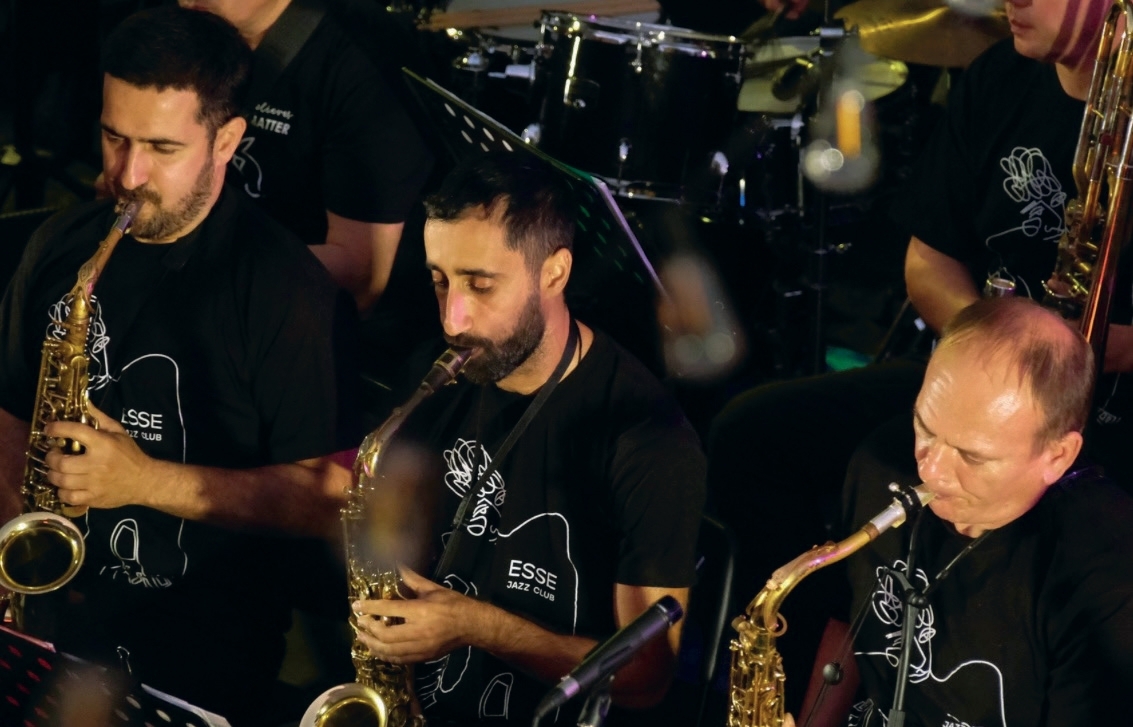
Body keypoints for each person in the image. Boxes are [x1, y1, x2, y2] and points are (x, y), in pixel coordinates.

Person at [709, 0, 1133, 710]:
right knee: (753, 435)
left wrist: (1086, 351)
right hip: (970, 388)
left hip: (1109, 414)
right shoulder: (998, 77)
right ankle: (806, 683)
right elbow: (926, 262)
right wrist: (989, 358)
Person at [0, 7, 358, 724]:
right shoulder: (59, 245)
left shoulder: (288, 294)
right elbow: (10, 414)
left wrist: (144, 481)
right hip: (47, 616)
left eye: (161, 147)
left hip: (193, 655)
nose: (127, 175)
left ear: (226, 140)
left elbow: (330, 496)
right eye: (114, 137)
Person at [349, 152, 707, 724]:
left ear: (555, 274)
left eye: (480, 285)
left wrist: (477, 626)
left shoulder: (649, 442)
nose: (453, 319)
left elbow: (646, 678)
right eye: (440, 281)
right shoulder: (435, 378)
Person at [836, 296, 1133, 726]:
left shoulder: (1107, 578)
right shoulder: (881, 462)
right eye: (925, 428)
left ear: (1058, 456)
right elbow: (842, 631)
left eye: (972, 456)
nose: (931, 470)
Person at [178, 0, 434, 311]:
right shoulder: (180, 24)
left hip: (284, 310)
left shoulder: (365, 56)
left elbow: (361, 274)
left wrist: (195, 260)